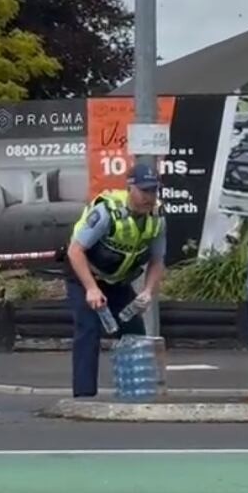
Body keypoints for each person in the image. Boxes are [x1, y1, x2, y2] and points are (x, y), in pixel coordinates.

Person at [63, 163, 167, 398]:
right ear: (130, 188)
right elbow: (75, 251)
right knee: (88, 328)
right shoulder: (107, 212)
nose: (149, 197)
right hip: (85, 276)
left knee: (134, 331)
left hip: (116, 280)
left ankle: (137, 392)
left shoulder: (157, 219)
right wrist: (91, 289)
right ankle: (84, 396)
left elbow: (157, 260)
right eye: (144, 191)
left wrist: (148, 292)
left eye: (154, 191)